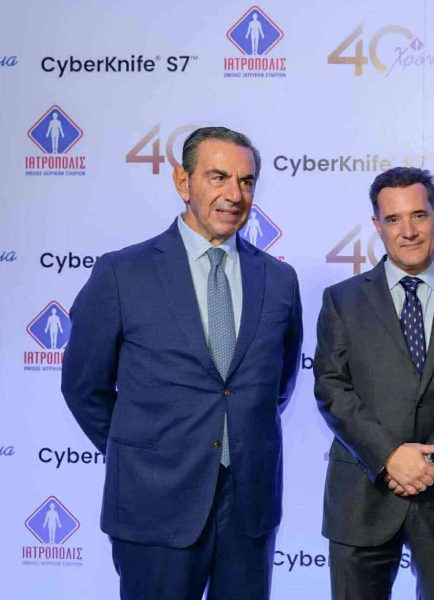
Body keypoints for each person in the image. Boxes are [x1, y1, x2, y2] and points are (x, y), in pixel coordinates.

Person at [62, 126, 303, 600]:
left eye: (246, 181)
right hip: (154, 505)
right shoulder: (122, 272)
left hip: (248, 509)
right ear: (182, 182)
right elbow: (83, 386)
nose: (234, 194)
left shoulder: (279, 279)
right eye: (218, 177)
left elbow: (278, 383)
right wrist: (142, 453)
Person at [314, 166, 434, 600]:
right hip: (362, 497)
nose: (408, 231)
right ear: (376, 225)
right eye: (393, 219)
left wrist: (432, 462)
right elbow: (331, 389)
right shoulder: (342, 300)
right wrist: (389, 456)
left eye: (419, 215)